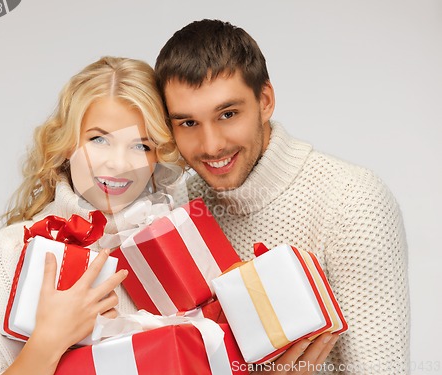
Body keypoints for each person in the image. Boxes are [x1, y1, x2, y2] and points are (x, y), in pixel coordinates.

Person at [155, 19, 409, 374]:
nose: (211, 145)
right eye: (188, 123)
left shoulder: (352, 201)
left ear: (265, 101)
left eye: (228, 114)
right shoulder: (183, 205)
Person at [0, 56, 183, 374]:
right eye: (99, 139)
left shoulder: (175, 246)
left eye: (141, 146)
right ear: (68, 143)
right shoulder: (11, 249)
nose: (118, 164)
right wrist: (50, 340)